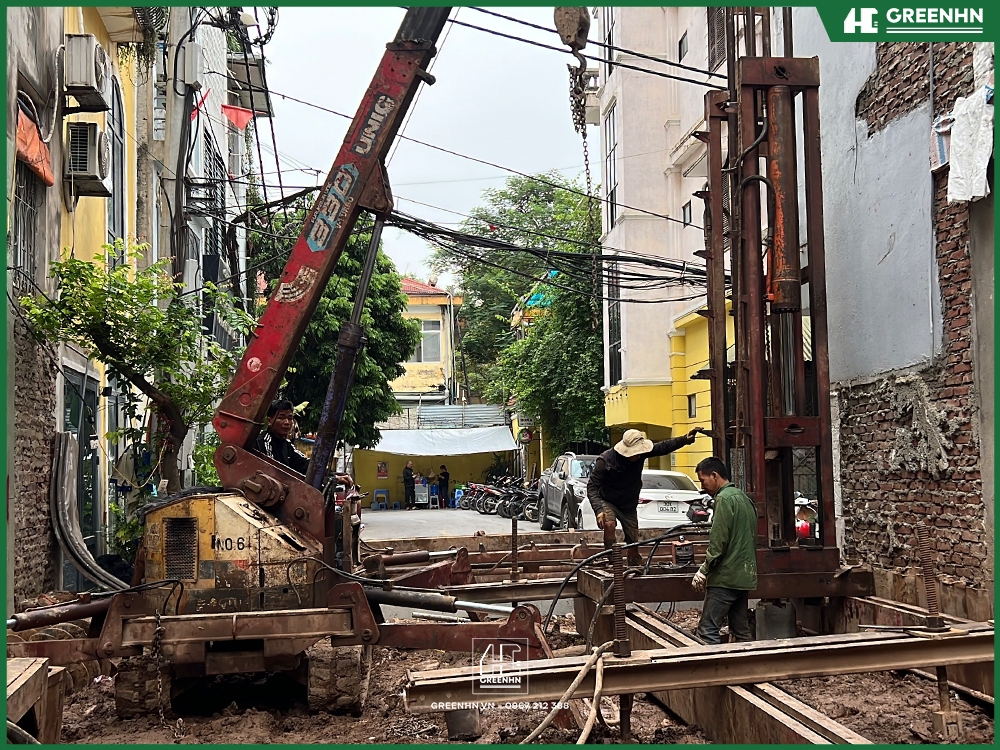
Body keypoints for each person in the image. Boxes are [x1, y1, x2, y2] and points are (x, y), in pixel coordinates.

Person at [587, 428, 699, 566]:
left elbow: (663, 447)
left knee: (633, 542)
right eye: (634, 454)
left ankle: (634, 563)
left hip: (628, 505)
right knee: (609, 524)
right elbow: (592, 486)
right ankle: (612, 559)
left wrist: (684, 439)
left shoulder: (641, 454)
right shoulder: (605, 460)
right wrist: (598, 510)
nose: (637, 457)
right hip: (608, 500)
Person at [691, 456, 758, 644]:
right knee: (740, 629)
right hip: (743, 577)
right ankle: (749, 668)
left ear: (714, 475)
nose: (702, 485)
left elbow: (718, 541)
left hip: (725, 578)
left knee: (708, 629)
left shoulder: (724, 499)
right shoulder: (743, 498)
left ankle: (714, 671)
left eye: (703, 480)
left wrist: (704, 570)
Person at [257, 399, 309, 475]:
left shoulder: (288, 445)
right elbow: (272, 469)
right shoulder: (263, 442)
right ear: (269, 421)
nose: (287, 422)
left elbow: (304, 462)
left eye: (290, 418)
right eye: (281, 418)